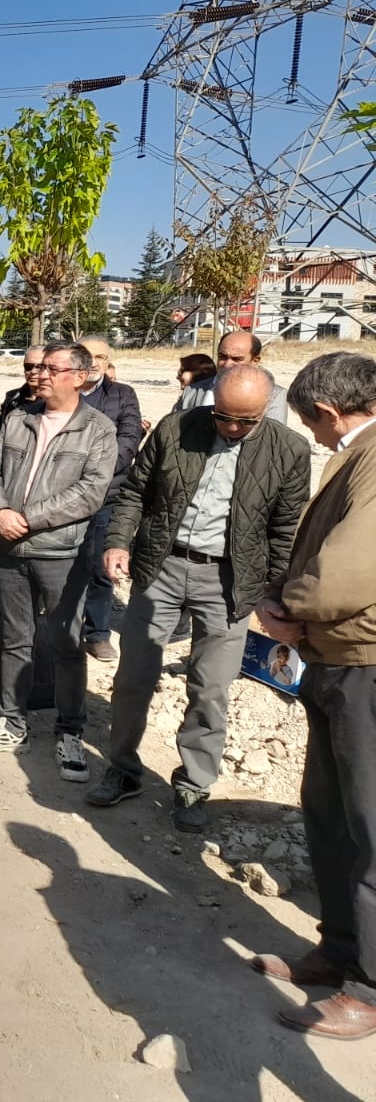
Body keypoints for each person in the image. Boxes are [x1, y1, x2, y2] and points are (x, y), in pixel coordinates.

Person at [87, 366, 310, 831]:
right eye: (223, 417)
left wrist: (271, 590)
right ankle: (123, 769)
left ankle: (193, 785)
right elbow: (135, 493)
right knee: (134, 678)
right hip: (162, 568)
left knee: (210, 689)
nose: (230, 428)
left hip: (229, 581)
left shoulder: (288, 450)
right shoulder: (177, 428)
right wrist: (117, 541)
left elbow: (286, 531)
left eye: (244, 421)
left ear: (266, 410)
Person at [251, 351, 376, 1040]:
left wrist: (285, 605)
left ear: (328, 412)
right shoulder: (357, 457)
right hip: (338, 660)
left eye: (315, 426)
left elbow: (349, 574)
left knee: (371, 825)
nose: (318, 438)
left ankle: (370, 988)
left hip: (365, 665)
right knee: (329, 813)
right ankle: (340, 950)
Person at [0, 342, 117, 782]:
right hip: (10, 550)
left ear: (80, 376)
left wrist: (27, 519)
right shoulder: (19, 417)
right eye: (40, 367)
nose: (42, 374)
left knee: (67, 645)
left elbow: (91, 492)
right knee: (17, 639)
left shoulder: (98, 430)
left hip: (61, 554)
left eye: (53, 368)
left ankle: (69, 731)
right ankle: (12, 723)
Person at [75, 337, 143, 662]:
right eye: (87, 355)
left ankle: (97, 633)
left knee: (100, 568)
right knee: (60, 565)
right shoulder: (61, 393)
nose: (93, 362)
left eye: (100, 356)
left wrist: (92, 474)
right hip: (62, 496)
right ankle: (63, 627)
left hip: (106, 496)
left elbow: (128, 442)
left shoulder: (123, 395)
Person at [176, 332, 290, 423]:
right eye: (223, 357)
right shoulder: (192, 391)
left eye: (237, 359)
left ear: (255, 361)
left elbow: (271, 443)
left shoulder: (274, 395)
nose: (227, 364)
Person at [0, 345, 47, 430]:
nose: (32, 371)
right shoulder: (13, 398)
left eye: (39, 367)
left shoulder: (52, 402)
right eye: (28, 366)